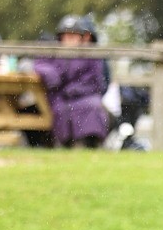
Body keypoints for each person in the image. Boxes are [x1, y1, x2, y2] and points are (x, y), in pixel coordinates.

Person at [33, 16, 110, 148]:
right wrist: (52, 76)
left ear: (81, 38)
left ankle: (86, 142)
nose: (70, 40)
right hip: (60, 98)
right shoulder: (53, 54)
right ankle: (65, 142)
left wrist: (74, 89)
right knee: (60, 110)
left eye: (73, 36)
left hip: (85, 95)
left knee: (91, 107)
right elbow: (40, 65)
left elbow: (96, 82)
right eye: (67, 36)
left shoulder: (91, 56)